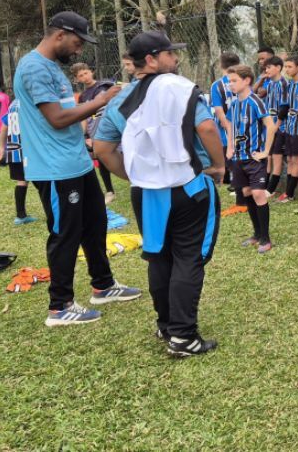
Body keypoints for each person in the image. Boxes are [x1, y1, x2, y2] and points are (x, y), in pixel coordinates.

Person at [93, 31, 225, 357]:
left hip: (146, 192)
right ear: (151, 60)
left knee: (159, 256)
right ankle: (183, 336)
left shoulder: (120, 100)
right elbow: (207, 128)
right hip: (188, 187)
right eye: (169, 53)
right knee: (188, 258)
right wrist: (219, 166)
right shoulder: (180, 88)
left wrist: (134, 174)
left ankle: (166, 325)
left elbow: (102, 148)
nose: (175, 58)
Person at [12, 11, 141, 327]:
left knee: (96, 223)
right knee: (65, 234)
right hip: (55, 169)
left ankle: (103, 285)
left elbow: (69, 110)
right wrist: (104, 99)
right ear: (59, 35)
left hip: (77, 163)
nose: (79, 49)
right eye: (77, 41)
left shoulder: (52, 68)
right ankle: (60, 306)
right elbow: (56, 118)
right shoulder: (32, 68)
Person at [226, 65, 278, 251]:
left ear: (247, 80)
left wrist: (265, 151)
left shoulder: (255, 101)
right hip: (238, 158)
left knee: (258, 193)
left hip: (255, 158)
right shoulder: (233, 104)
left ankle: (266, 238)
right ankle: (256, 234)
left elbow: (270, 126)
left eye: (234, 81)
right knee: (247, 193)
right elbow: (230, 125)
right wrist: (230, 147)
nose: (230, 84)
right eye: (229, 81)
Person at [72, 63, 117, 204]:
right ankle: (109, 191)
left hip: (115, 126)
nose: (84, 77)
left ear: (91, 71)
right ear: (76, 79)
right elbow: (84, 118)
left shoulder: (105, 86)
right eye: (80, 75)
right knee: (101, 157)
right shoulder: (83, 96)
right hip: (97, 131)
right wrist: (86, 136)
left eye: (86, 73)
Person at [0, 97, 36, 225]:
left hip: (14, 149)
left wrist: (1, 146)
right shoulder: (30, 101)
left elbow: (4, 127)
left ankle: (20, 216)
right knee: (45, 181)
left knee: (21, 181)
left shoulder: (13, 104)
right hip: (30, 148)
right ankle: (55, 213)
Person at [254, 56, 289, 196]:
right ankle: (265, 185)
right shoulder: (269, 84)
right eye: (265, 67)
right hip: (269, 127)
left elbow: (284, 107)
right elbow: (256, 94)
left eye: (269, 67)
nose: (266, 69)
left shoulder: (283, 83)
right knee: (267, 155)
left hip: (279, 127)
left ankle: (271, 189)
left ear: (278, 68)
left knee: (276, 156)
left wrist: (276, 125)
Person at [277, 55, 298, 204]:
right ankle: (288, 193)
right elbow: (286, 106)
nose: (287, 69)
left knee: (296, 159)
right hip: (289, 127)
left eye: (290, 66)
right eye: (286, 66)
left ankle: (290, 193)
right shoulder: (289, 85)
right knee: (289, 159)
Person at [209, 52, 240, 191]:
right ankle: (230, 177)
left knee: (227, 147)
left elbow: (218, 108)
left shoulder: (217, 85)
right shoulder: (241, 80)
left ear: (221, 65)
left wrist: (225, 123)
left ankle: (233, 179)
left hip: (225, 122)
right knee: (238, 147)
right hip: (240, 119)